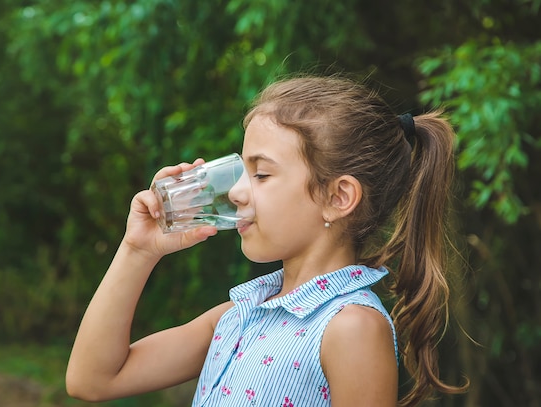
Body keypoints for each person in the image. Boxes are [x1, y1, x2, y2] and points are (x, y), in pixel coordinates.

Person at [66, 75, 468, 407]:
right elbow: (94, 380)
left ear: (338, 198)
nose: (238, 192)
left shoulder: (351, 328)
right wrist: (138, 250)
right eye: (243, 171)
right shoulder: (238, 316)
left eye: (261, 174)